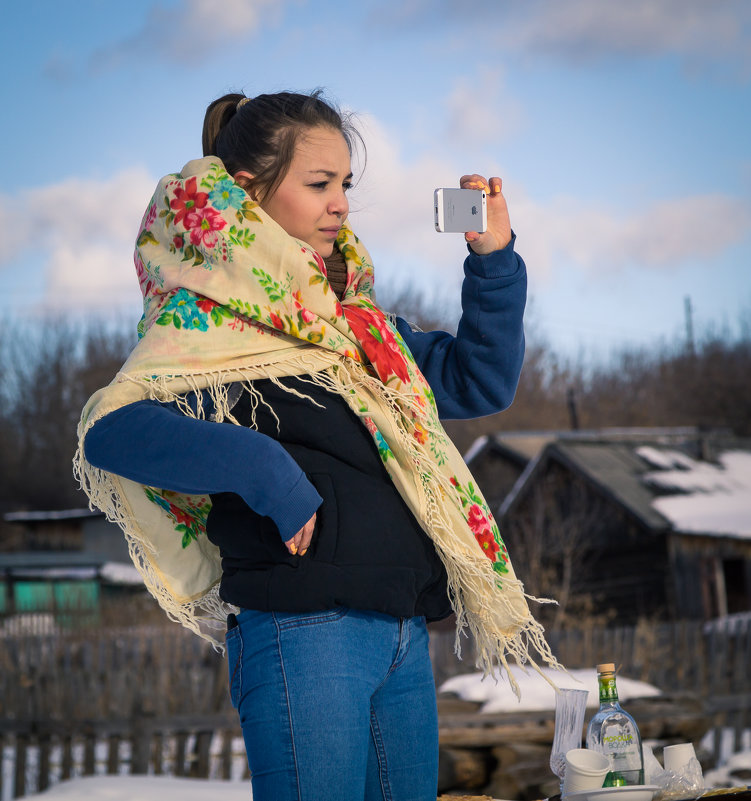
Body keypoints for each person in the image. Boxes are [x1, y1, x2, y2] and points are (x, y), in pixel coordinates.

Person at [76, 90, 557, 801]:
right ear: (246, 194)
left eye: (345, 185)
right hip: (304, 630)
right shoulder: (207, 324)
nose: (340, 205)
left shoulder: (358, 329)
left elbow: (476, 379)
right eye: (318, 183)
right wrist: (266, 469)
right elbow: (112, 428)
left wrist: (493, 260)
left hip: (399, 632)